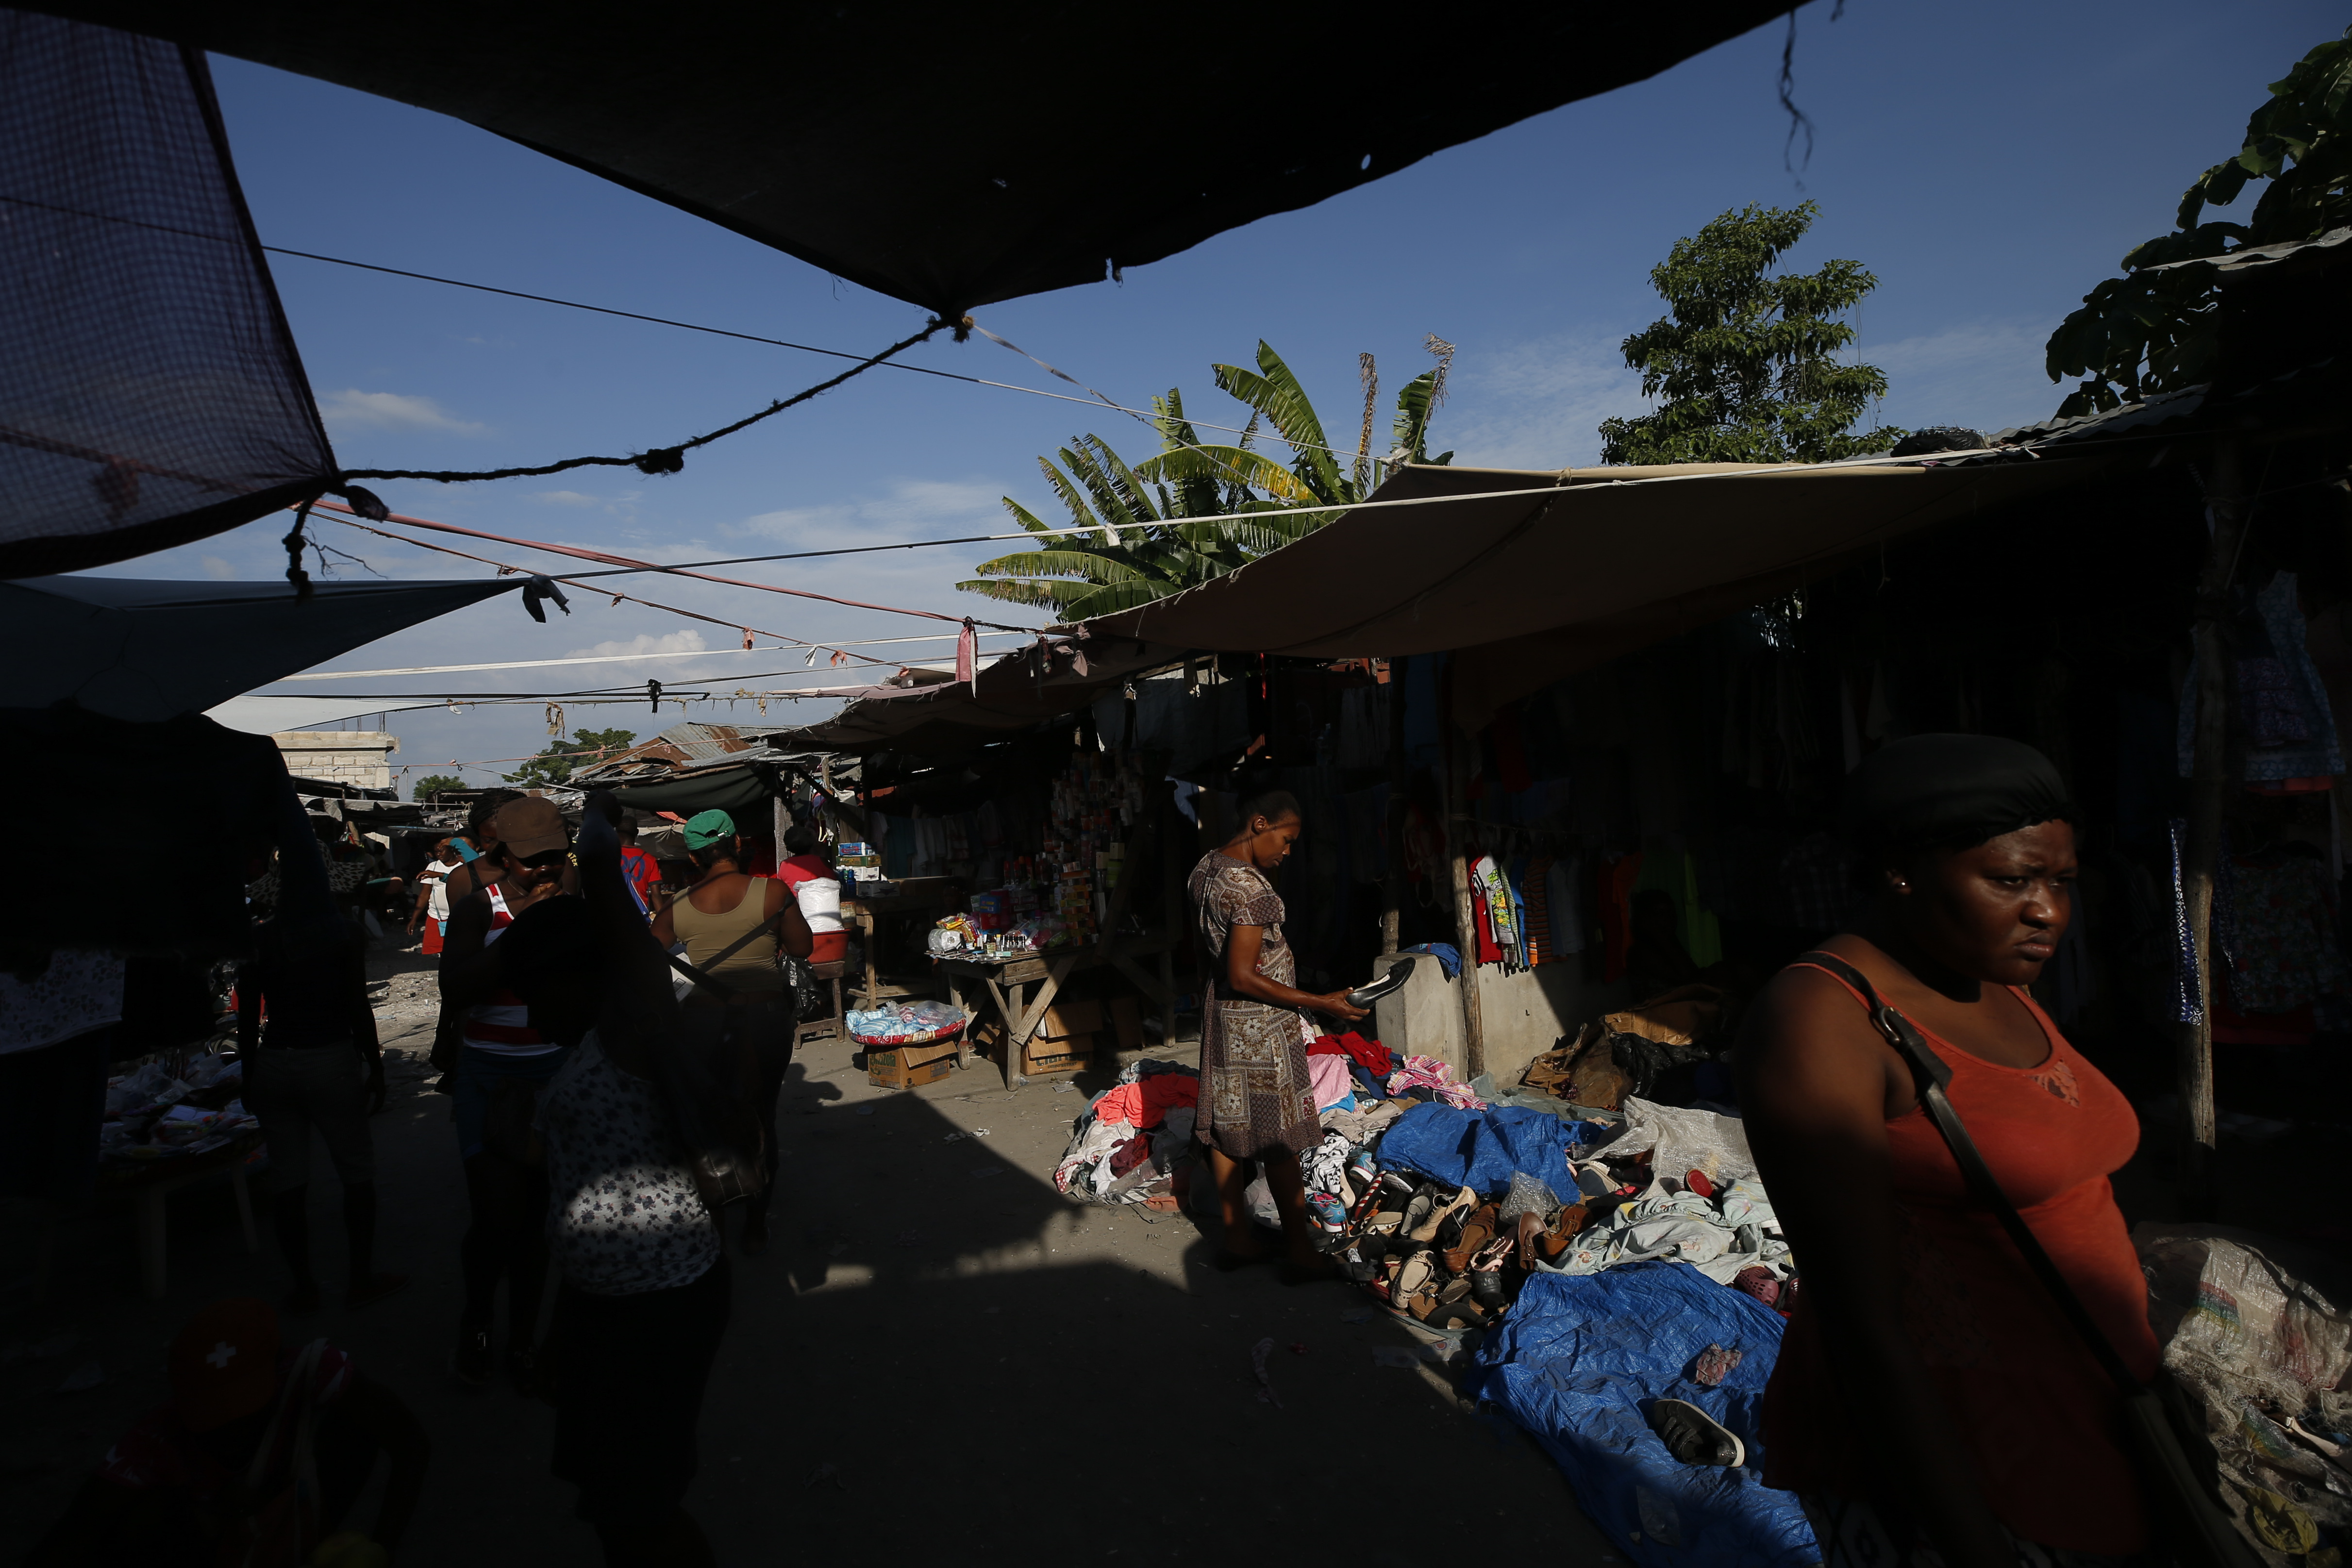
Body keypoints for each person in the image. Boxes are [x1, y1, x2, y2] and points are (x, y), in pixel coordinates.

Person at [1735, 734, 2155, 1567]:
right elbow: (1862, 1323)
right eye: (2012, 880)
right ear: (1901, 871)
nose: (2048, 911)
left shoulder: (1992, 980)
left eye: (2062, 881)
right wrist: (1972, 1546)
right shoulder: (1824, 1020)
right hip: (1979, 1468)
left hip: (2098, 1421)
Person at [24, 1296, 428, 1567]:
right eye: (215, 1416)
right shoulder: (157, 1439)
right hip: (214, 1544)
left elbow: (410, 1443)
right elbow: (75, 1533)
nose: (229, 1430)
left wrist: (379, 1551)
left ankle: (303, 1547)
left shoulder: (312, 1374)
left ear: (277, 1369)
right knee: (136, 1520)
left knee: (358, 1425)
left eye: (243, 1412)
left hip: (295, 1511)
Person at [437, 795, 590, 1390]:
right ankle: (477, 1319)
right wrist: (525, 933)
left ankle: (523, 1337)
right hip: (490, 1078)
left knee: (538, 1222)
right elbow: (456, 988)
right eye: (533, 860)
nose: (547, 869)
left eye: (556, 857)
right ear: (503, 856)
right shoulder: (478, 907)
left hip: (556, 1076)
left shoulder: (571, 898)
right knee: (496, 1218)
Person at [1186, 789, 1366, 1282]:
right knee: (1280, 1138)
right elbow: (1245, 974)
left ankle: (1237, 1239)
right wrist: (1322, 1001)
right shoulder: (1253, 892)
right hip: (1260, 1028)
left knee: (1226, 1128)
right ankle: (1300, 1251)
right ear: (1260, 824)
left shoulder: (1206, 868)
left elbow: (1211, 958)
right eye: (1286, 840)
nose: (1287, 852)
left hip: (1222, 1017)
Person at [651, 809, 812, 1254]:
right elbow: (802, 948)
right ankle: (756, 1227)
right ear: (738, 844)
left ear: (693, 857)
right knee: (761, 1117)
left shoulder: (677, 905)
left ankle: (716, 1226)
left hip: (702, 1024)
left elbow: (648, 955)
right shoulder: (772, 891)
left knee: (710, 1119)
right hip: (764, 1019)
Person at [236, 917, 406, 1314]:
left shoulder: (260, 937)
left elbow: (247, 1013)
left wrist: (249, 1073)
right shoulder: (342, 931)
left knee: (288, 1181)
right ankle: (360, 1280)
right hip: (330, 1057)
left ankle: (304, 1288)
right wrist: (375, 1067)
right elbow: (357, 1004)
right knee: (356, 1172)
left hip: (275, 1059)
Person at [775, 823, 848, 966]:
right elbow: (833, 886)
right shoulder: (821, 862)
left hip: (795, 918)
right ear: (811, 843)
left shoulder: (785, 865)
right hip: (823, 922)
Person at [404, 835, 458, 953]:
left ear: (452, 850)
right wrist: (414, 919)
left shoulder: (462, 866)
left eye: (441, 851)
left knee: (457, 951)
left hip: (458, 917)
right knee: (438, 952)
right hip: (436, 917)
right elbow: (424, 895)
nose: (438, 854)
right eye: (436, 852)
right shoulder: (432, 867)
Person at [618, 816, 665, 918]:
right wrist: (664, 920)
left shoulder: (608, 856)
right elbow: (656, 895)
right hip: (640, 917)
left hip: (614, 916)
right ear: (637, 832)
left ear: (616, 832)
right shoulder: (650, 859)